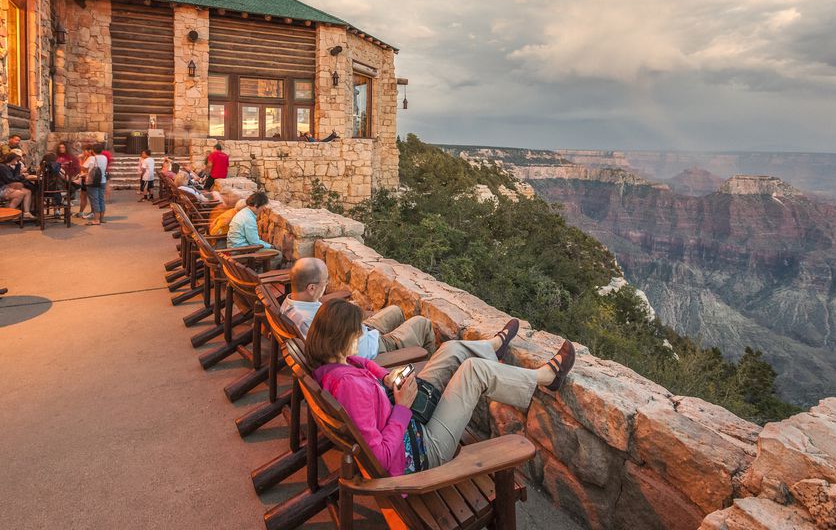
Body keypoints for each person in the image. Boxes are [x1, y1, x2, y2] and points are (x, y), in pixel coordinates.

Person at [308, 299, 575, 476]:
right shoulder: (349, 389)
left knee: (449, 350)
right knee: (474, 371)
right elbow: (380, 458)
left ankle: (492, 347)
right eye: (358, 332)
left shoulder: (334, 366)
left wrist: (387, 378)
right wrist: (402, 407)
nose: (361, 335)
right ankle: (544, 378)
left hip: (407, 419)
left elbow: (363, 362)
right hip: (422, 450)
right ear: (342, 338)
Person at [283, 257, 437, 358]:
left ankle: (406, 355)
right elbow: (345, 354)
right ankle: (423, 371)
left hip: (358, 330)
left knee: (395, 311)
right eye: (325, 282)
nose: (327, 285)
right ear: (311, 288)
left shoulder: (289, 305)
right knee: (422, 323)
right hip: (373, 349)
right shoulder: (311, 321)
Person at [227, 191, 282, 266]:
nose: (262, 209)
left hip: (234, 247)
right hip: (240, 251)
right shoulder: (248, 219)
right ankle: (260, 275)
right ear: (256, 205)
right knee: (277, 254)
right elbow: (254, 243)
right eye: (262, 207)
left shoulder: (244, 212)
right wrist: (271, 246)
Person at [0, 153, 36, 220]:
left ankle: (26, 213)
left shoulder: (7, 166)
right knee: (20, 194)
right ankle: (9, 213)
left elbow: (14, 176)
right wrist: (23, 176)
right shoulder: (2, 167)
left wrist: (18, 165)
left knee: (28, 192)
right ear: (12, 159)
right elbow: (10, 179)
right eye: (16, 160)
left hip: (4, 187)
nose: (17, 162)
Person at [82, 143, 108, 225]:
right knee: (101, 199)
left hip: (92, 181)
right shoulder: (104, 157)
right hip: (102, 180)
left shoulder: (92, 158)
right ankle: (102, 218)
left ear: (92, 150)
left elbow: (84, 167)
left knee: (95, 200)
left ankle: (96, 220)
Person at [75, 144, 92, 219]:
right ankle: (81, 212)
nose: (83, 152)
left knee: (91, 197)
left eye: (84, 150)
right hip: (84, 179)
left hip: (88, 179)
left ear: (89, 151)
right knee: (83, 196)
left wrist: (79, 160)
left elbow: (83, 168)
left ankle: (93, 212)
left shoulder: (91, 158)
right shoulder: (86, 157)